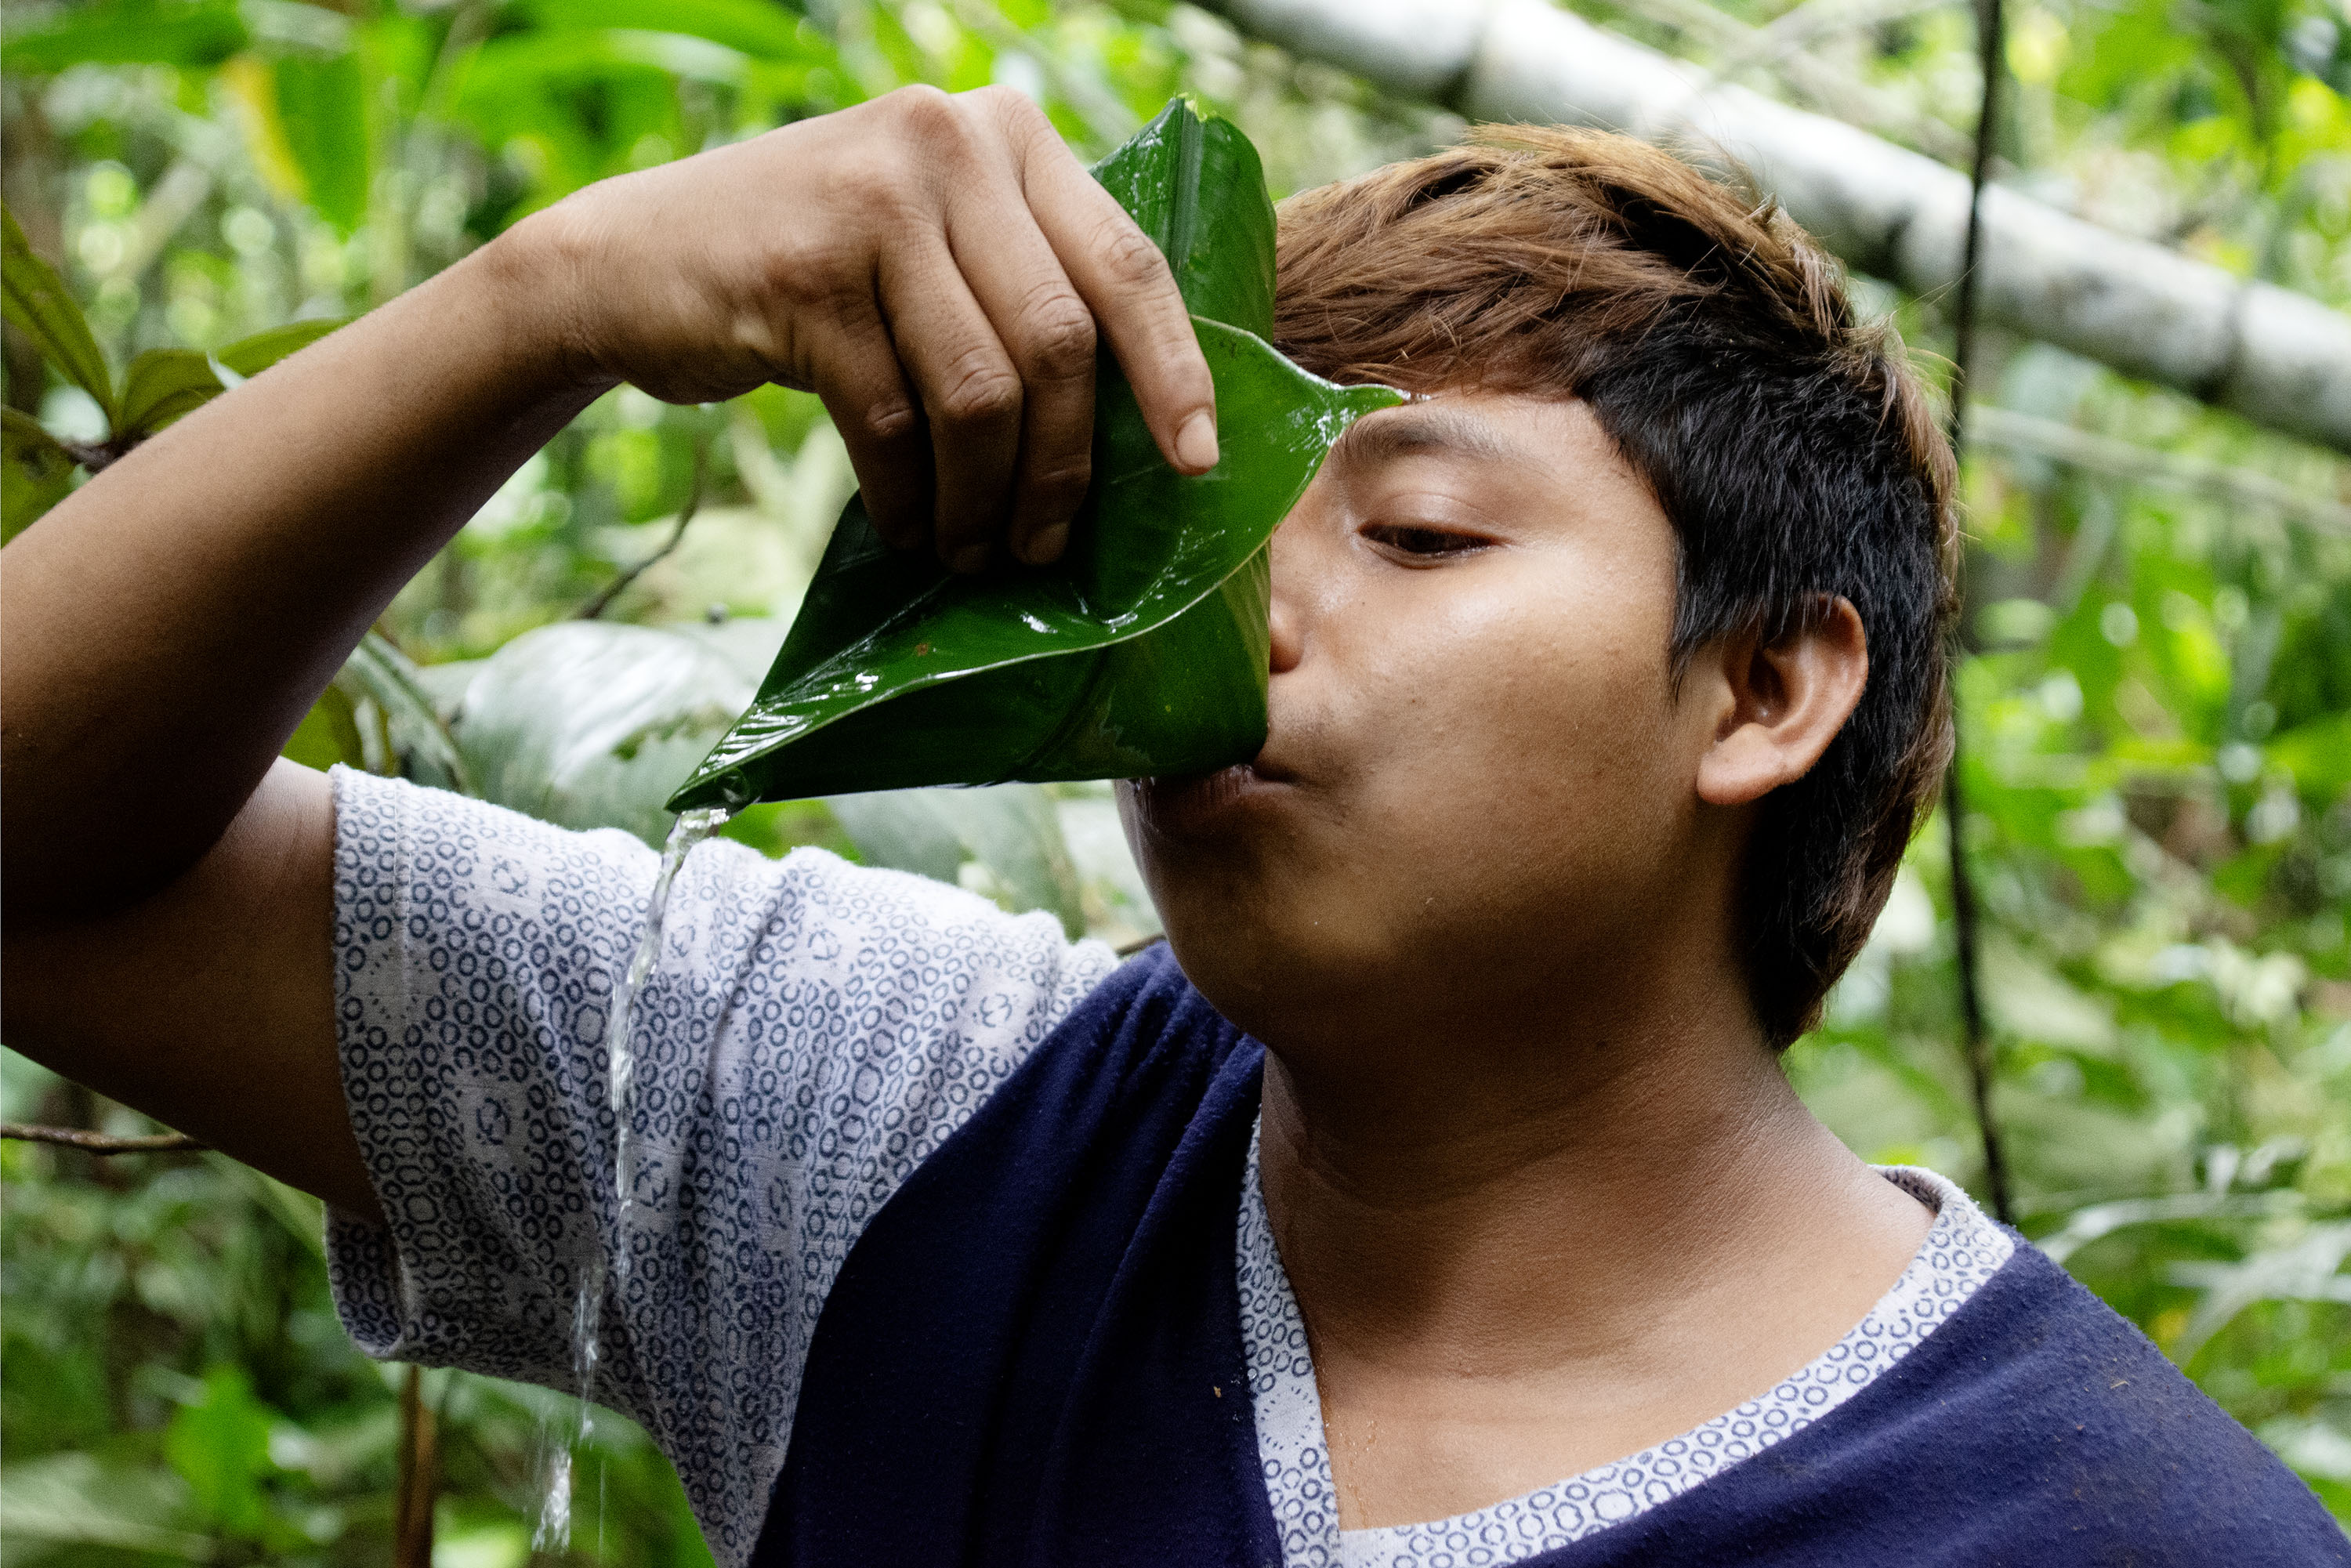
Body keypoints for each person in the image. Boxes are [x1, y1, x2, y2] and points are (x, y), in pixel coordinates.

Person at [2, 85, 2338, 1568]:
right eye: (1174, 533)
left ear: (1765, 684)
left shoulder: (2103, 1526)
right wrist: (556, 301)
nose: (1240, 614)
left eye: (1417, 536)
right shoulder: (898, 1128)